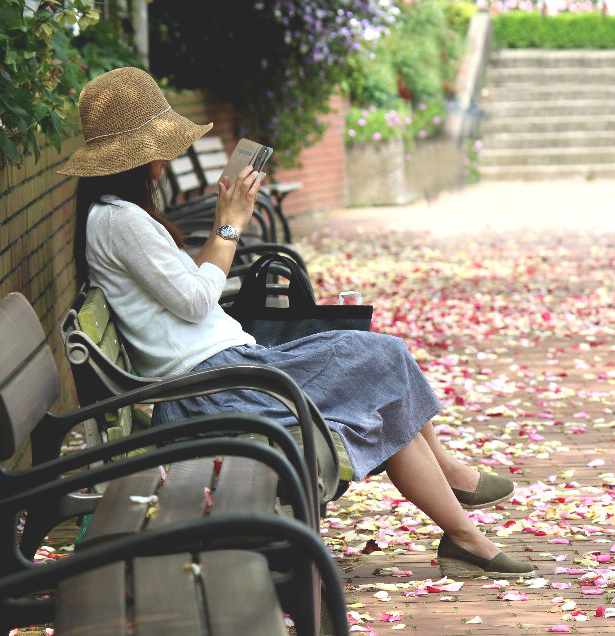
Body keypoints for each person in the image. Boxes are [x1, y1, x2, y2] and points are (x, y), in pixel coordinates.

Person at [57, 67, 535, 579]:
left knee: (379, 372)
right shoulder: (120, 220)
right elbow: (196, 301)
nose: (166, 157)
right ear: (143, 154)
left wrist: (224, 225)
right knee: (382, 354)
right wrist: (230, 223)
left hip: (232, 370)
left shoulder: (119, 216)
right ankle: (459, 503)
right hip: (218, 390)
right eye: (161, 146)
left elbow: (183, 295)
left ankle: (463, 532)